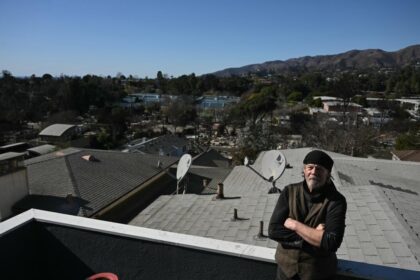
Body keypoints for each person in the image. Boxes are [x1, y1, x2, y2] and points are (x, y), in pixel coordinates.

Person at [268, 150, 347, 280]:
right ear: (304, 170)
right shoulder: (289, 191)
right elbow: (274, 230)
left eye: (320, 169)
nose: (314, 172)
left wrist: (295, 225)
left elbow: (331, 242)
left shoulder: (336, 201)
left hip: (317, 273)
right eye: (310, 167)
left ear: (328, 174)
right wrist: (315, 236)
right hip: (285, 270)